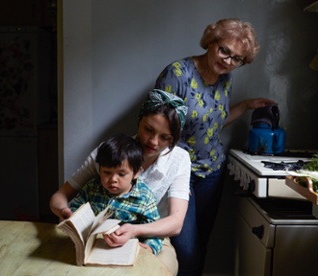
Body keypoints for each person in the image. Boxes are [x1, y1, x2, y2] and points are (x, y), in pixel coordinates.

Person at [154, 18, 276, 275]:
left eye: (237, 59)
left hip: (212, 171)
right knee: (185, 248)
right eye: (224, 51)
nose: (228, 61)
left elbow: (210, 124)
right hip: (178, 172)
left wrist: (243, 107)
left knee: (202, 243)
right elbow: (155, 129)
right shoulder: (177, 74)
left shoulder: (225, 80)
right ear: (211, 41)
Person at [50, 89, 191, 275]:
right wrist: (65, 212)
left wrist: (134, 231)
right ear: (139, 120)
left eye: (165, 138)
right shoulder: (109, 152)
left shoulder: (179, 160)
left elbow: (175, 223)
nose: (154, 142)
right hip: (97, 237)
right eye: (148, 129)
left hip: (148, 235)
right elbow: (60, 196)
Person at [68, 133, 163, 255]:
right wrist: (71, 217)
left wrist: (149, 247)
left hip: (124, 250)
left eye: (121, 174)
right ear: (99, 169)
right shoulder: (92, 188)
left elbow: (155, 232)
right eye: (107, 172)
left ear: (136, 173)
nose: (113, 179)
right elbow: (75, 209)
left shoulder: (144, 198)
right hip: (92, 247)